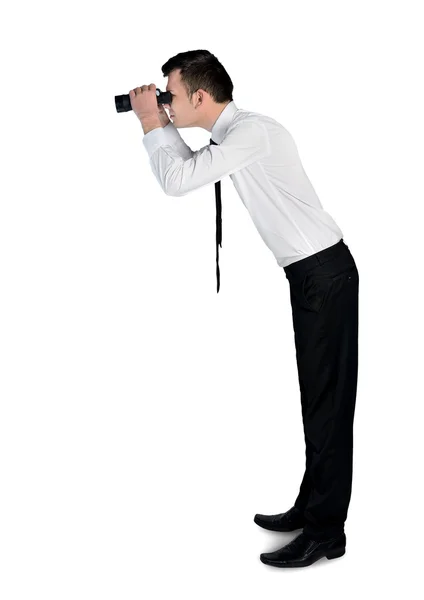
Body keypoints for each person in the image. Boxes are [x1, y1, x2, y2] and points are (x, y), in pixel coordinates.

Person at [129, 49, 359, 568]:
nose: (166, 102)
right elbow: (188, 169)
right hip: (313, 276)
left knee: (327, 407)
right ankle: (313, 505)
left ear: (200, 97)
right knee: (316, 401)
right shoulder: (234, 138)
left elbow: (177, 181)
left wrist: (150, 123)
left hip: (325, 276)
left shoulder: (251, 134)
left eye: (170, 94)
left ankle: (327, 532)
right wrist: (160, 123)